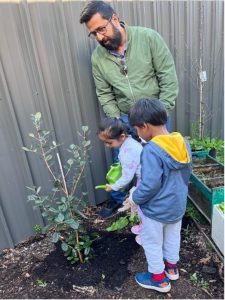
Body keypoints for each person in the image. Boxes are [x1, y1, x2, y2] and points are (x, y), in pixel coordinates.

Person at [80, 0, 178, 206]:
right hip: (124, 118)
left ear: (114, 19)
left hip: (154, 117)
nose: (99, 37)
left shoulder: (148, 38)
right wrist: (118, 121)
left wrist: (161, 113)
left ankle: (164, 203)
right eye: (93, 33)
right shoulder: (98, 57)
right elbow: (104, 93)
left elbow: (167, 77)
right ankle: (120, 204)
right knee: (122, 163)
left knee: (160, 161)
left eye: (101, 29)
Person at [126, 98, 192, 293]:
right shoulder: (183, 143)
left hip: (155, 210)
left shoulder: (151, 150)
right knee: (173, 236)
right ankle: (172, 268)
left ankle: (159, 280)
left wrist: (134, 198)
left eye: (137, 129)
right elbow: (187, 174)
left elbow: (150, 185)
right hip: (177, 206)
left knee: (151, 242)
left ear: (145, 126)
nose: (137, 134)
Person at [97, 117, 143, 218]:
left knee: (142, 206)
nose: (107, 146)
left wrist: (113, 186)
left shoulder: (127, 152)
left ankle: (144, 227)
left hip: (145, 181)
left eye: (109, 142)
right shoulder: (131, 140)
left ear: (122, 136)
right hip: (148, 178)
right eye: (104, 142)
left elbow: (127, 177)